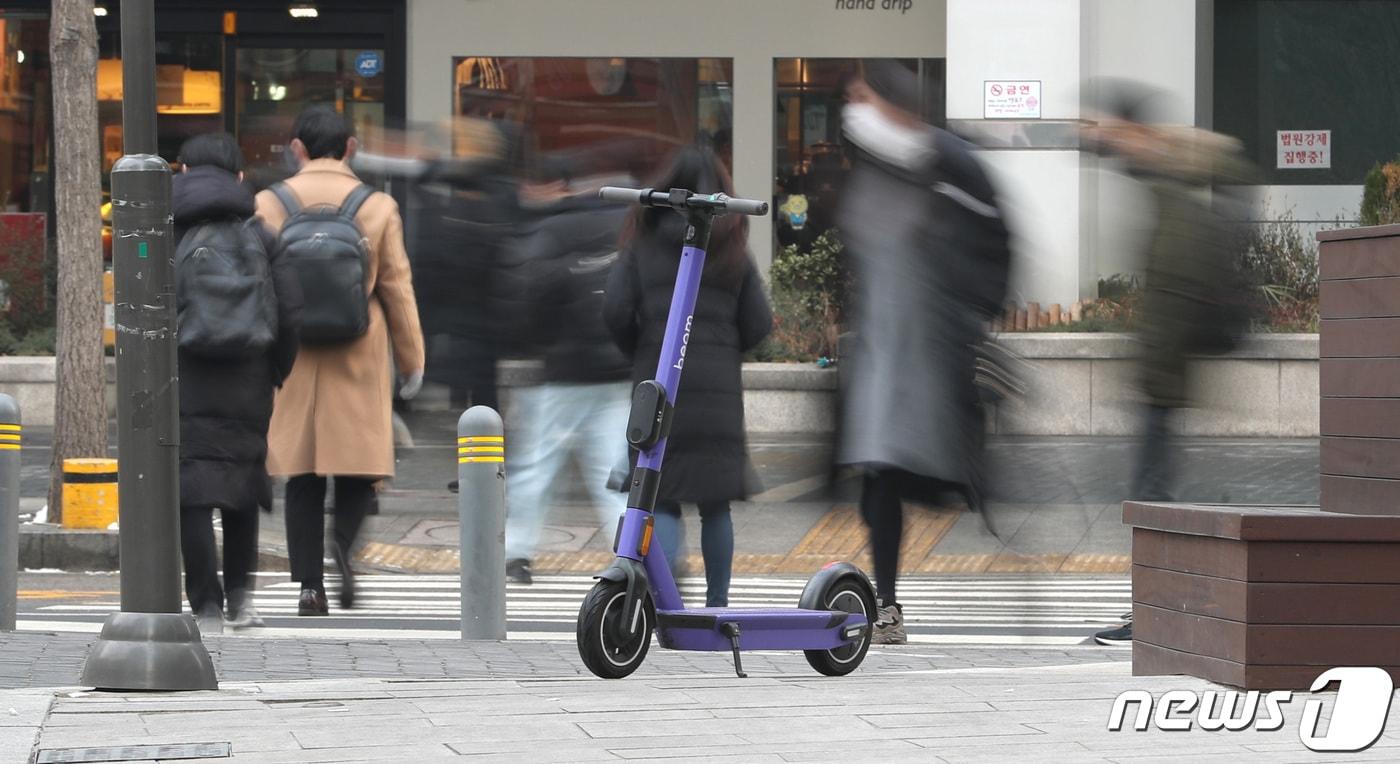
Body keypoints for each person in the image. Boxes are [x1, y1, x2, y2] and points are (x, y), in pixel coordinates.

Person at [835, 61, 1012, 644]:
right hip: (881, 352)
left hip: (929, 351)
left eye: (866, 96)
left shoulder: (949, 162)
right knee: (878, 476)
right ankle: (886, 602)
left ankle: (888, 598)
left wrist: (975, 316)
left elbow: (997, 239)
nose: (855, 106)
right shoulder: (870, 164)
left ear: (897, 103)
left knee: (904, 470)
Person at [1084, 81, 1253, 647]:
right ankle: (1160, 608)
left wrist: (1154, 374)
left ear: (1137, 134)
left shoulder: (1176, 200)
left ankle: (1159, 611)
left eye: (1102, 124)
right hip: (1160, 379)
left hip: (1164, 381)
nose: (1095, 136)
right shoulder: (1162, 190)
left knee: (1155, 502)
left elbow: (1177, 294)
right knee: (1156, 500)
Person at [257, 107, 426, 616]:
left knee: (303, 473)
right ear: (351, 147)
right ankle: (344, 551)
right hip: (360, 346)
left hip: (294, 351)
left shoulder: (269, 202)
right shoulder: (376, 206)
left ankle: (310, 585)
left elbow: (258, 281)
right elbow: (397, 287)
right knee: (358, 467)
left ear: (297, 149)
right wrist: (412, 357)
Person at [603, 146, 773, 608]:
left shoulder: (643, 243)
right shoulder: (733, 248)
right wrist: (722, 350)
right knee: (716, 506)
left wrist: (641, 349)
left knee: (663, 496)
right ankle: (717, 603)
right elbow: (759, 323)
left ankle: (669, 600)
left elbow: (614, 310)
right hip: (717, 395)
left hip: (658, 385)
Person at [172, 133, 302, 633]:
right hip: (249, 376)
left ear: (182, 173)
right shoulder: (261, 234)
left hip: (186, 375)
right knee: (243, 483)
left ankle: (205, 605)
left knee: (193, 489)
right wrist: (276, 369)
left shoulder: (169, 233)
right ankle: (242, 601)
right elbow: (290, 310)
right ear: (240, 178)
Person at [502, 160, 632, 584]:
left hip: (562, 371)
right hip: (614, 370)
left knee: (537, 465)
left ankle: (518, 553)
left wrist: (539, 345)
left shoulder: (553, 231)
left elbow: (531, 299)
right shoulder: (620, 226)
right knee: (613, 470)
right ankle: (627, 555)